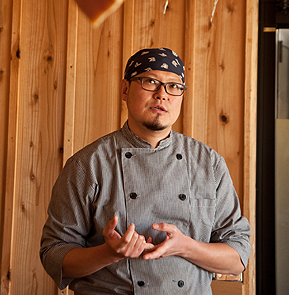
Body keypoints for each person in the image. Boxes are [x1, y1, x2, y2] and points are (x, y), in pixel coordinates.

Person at [40, 47, 251, 294]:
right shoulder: (88, 164)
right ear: (125, 89)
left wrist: (184, 246)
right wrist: (109, 253)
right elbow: (54, 254)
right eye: (150, 82)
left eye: (174, 86)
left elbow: (237, 255)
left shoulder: (208, 164)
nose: (162, 94)